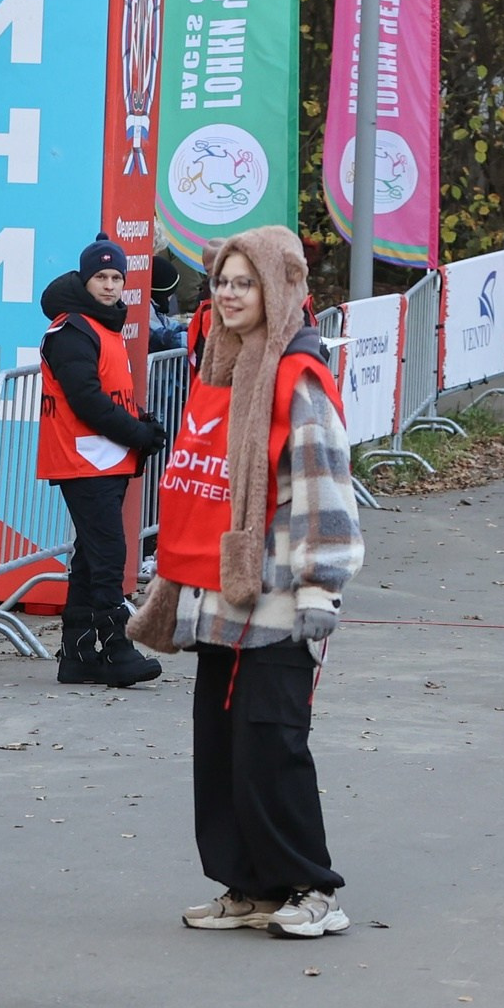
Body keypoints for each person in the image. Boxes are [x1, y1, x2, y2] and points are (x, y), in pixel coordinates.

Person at [128, 225, 363, 940]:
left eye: (244, 282)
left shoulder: (298, 378)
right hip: (219, 601)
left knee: (273, 745)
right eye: (222, 282)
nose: (228, 295)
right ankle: (251, 885)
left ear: (277, 289)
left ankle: (312, 887)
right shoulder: (221, 372)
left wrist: (320, 585)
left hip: (280, 601)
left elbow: (324, 487)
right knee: (223, 748)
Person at [38, 235, 166, 686]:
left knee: (93, 560)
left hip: (103, 459)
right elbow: (86, 399)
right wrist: (137, 433)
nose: (110, 286)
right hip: (84, 460)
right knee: (108, 555)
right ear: (85, 279)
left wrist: (141, 422)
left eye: (116, 278)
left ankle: (78, 654)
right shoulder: (73, 330)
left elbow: (111, 393)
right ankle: (117, 649)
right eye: (101, 277)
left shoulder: (99, 325)